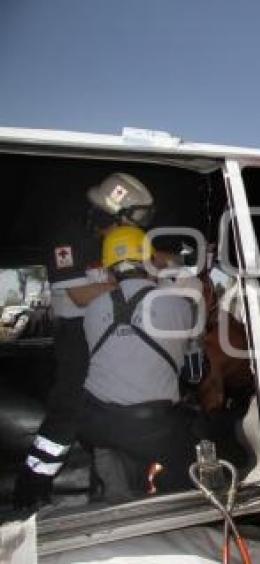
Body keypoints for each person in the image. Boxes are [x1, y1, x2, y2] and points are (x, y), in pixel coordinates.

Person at [14, 172, 155, 508]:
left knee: (113, 406)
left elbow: (148, 261)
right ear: (114, 211)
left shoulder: (113, 239)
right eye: (133, 219)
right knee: (69, 411)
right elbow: (79, 295)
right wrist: (134, 286)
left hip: (105, 331)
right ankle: (31, 489)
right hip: (77, 336)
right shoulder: (69, 235)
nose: (138, 228)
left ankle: (108, 489)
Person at [78, 225, 195, 495]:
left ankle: (112, 491)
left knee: (109, 461)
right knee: (188, 453)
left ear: (108, 270)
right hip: (157, 425)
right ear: (150, 261)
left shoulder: (92, 310)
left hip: (101, 424)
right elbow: (189, 360)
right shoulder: (177, 304)